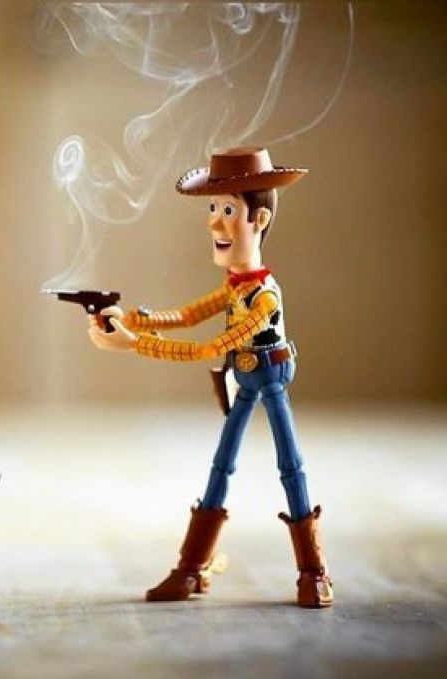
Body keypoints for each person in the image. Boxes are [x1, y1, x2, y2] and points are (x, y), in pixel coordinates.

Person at [86, 147, 333, 608]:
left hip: (269, 375)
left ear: (259, 219)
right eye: (213, 209)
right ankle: (191, 567)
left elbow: (209, 348)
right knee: (221, 466)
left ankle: (313, 571)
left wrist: (135, 344)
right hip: (243, 376)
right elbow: (186, 316)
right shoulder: (236, 286)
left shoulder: (263, 298)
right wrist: (132, 318)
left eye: (228, 211)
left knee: (290, 467)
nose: (215, 223)